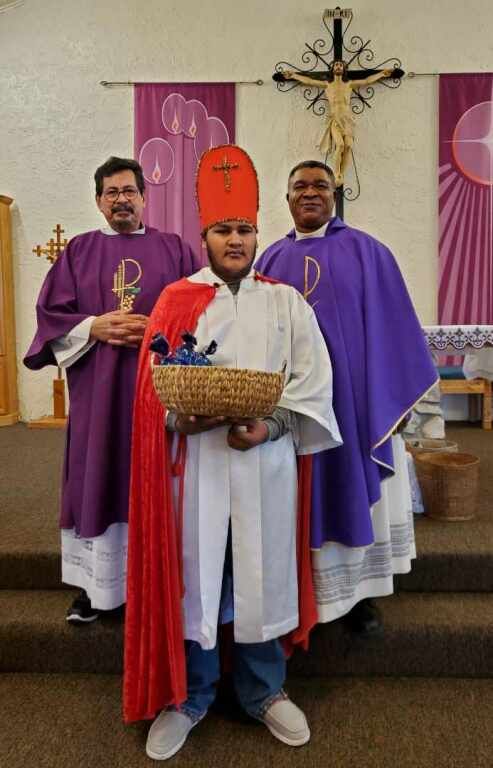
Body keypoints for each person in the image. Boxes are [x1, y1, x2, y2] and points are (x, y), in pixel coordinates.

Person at [124, 145, 342, 759]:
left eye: (245, 229)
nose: (236, 239)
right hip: (193, 472)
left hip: (265, 466)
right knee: (196, 575)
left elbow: (313, 382)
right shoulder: (175, 299)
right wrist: (178, 419)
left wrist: (271, 429)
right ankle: (190, 695)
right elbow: (150, 395)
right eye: (224, 229)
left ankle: (264, 691)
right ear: (206, 235)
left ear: (257, 233)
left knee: (263, 572)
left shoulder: (285, 302)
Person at [255, 160, 438, 635]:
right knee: (296, 496)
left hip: (354, 406)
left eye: (320, 185)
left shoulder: (368, 252)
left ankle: (359, 596)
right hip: (292, 409)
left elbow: (395, 328)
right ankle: (300, 588)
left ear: (335, 194)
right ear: (287, 198)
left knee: (353, 491)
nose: (310, 193)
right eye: (300, 186)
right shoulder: (269, 259)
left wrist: (391, 400)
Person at [24, 156, 202, 623]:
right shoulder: (79, 251)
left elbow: (201, 309)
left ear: (144, 196)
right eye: (111, 193)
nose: (121, 200)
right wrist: (94, 326)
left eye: (129, 191)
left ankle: (157, 583)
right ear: (99, 201)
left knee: (157, 479)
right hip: (98, 392)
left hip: (156, 389)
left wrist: (158, 329)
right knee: (96, 476)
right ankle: (94, 588)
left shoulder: (176, 249)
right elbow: (51, 316)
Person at [281, 62, 393, 186]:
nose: (338, 66)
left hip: (347, 120)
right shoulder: (327, 84)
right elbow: (308, 81)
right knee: (339, 145)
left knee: (348, 146)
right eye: (336, 65)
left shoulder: (349, 84)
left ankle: (342, 174)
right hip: (335, 120)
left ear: (344, 69)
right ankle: (336, 173)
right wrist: (293, 75)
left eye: (341, 65)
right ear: (332, 69)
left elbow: (366, 81)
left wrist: (382, 74)